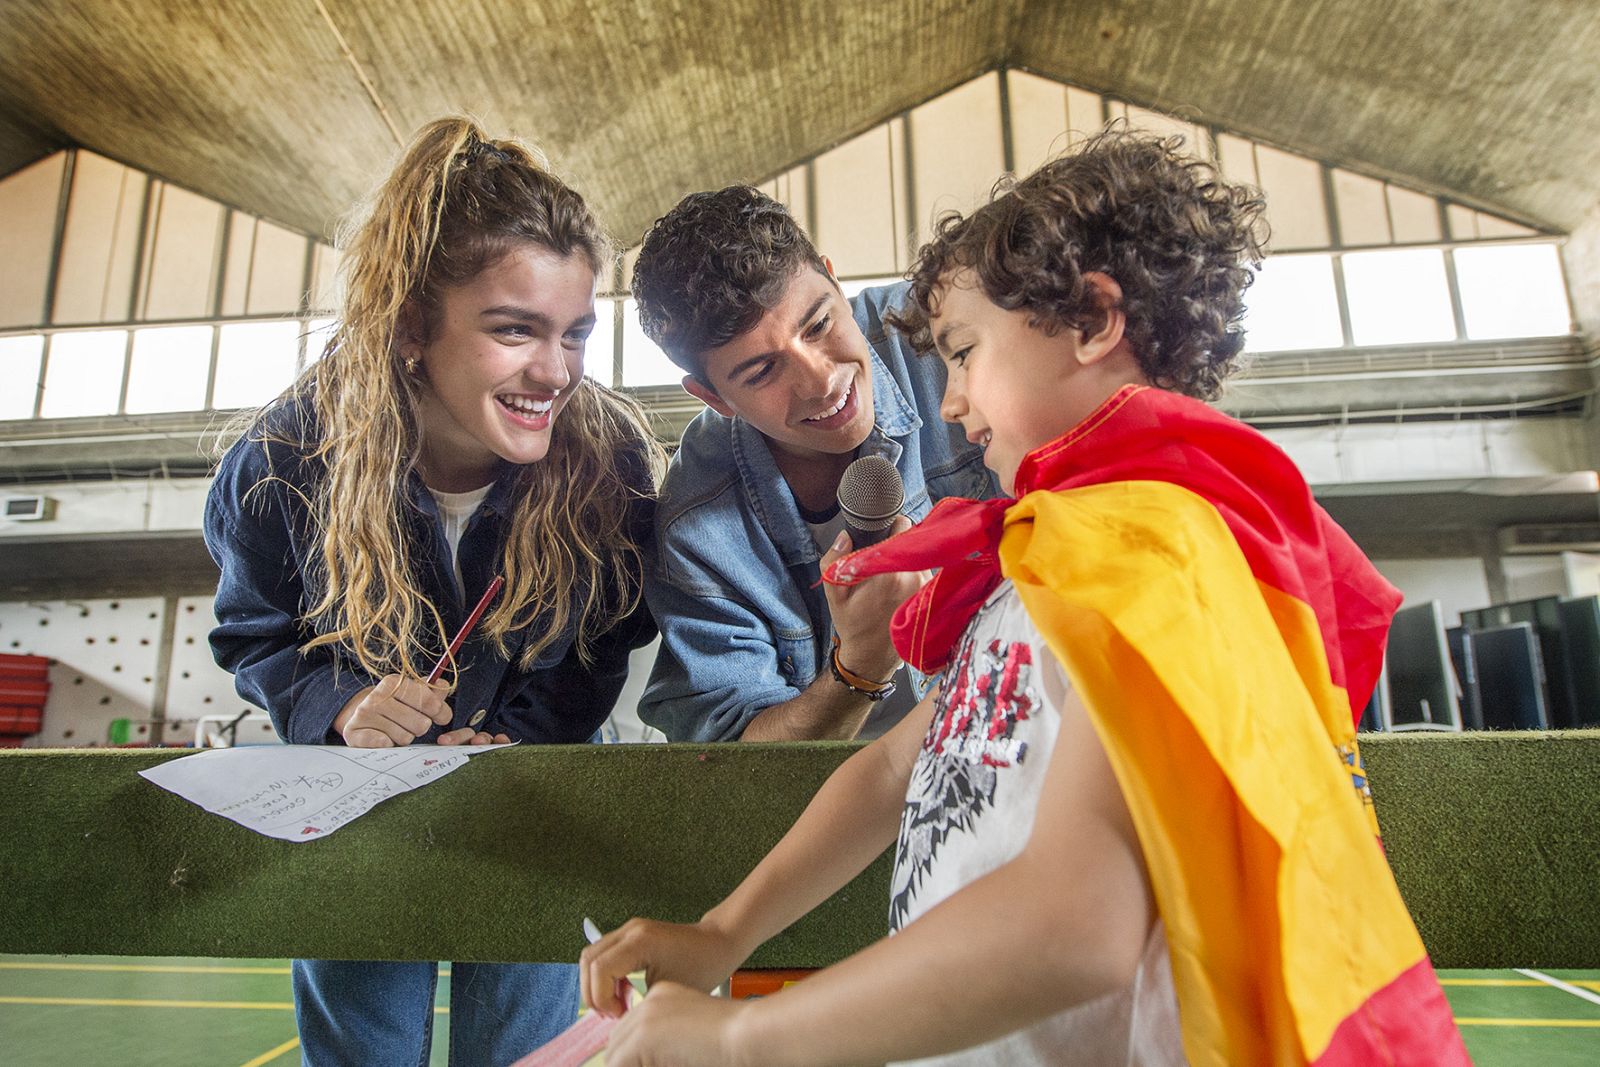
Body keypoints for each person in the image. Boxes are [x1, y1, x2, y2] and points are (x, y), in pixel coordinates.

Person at [579, 129, 1469, 1066]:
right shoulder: (1048, 557)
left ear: (1091, 322)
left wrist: (743, 1036)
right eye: (759, 369)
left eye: (961, 353)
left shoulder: (1158, 560)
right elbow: (890, 771)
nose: (949, 401)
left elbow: (1078, 924)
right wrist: (723, 933)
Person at [204, 117, 661, 1067]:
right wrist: (342, 708)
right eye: (513, 330)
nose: (557, 372)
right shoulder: (282, 461)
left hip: (533, 797)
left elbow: (603, 643)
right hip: (353, 804)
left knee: (527, 1051)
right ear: (413, 325)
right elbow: (256, 637)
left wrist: (519, 738)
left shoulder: (608, 458)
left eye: (573, 333)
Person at [632, 187, 997, 742]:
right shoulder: (695, 525)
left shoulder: (943, 330)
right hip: (851, 784)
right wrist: (861, 666)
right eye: (761, 373)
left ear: (833, 280)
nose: (822, 381)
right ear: (714, 399)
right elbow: (736, 759)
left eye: (819, 325)